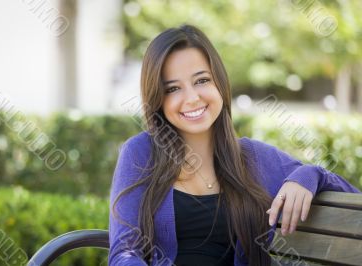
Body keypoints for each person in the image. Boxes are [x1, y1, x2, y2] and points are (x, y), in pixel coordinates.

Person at [107, 24, 361, 266]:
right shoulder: (140, 153)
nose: (192, 98)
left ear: (219, 82)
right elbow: (124, 253)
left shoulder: (253, 157)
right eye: (173, 88)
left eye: (202, 80)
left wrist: (309, 175)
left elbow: (352, 199)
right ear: (157, 99)